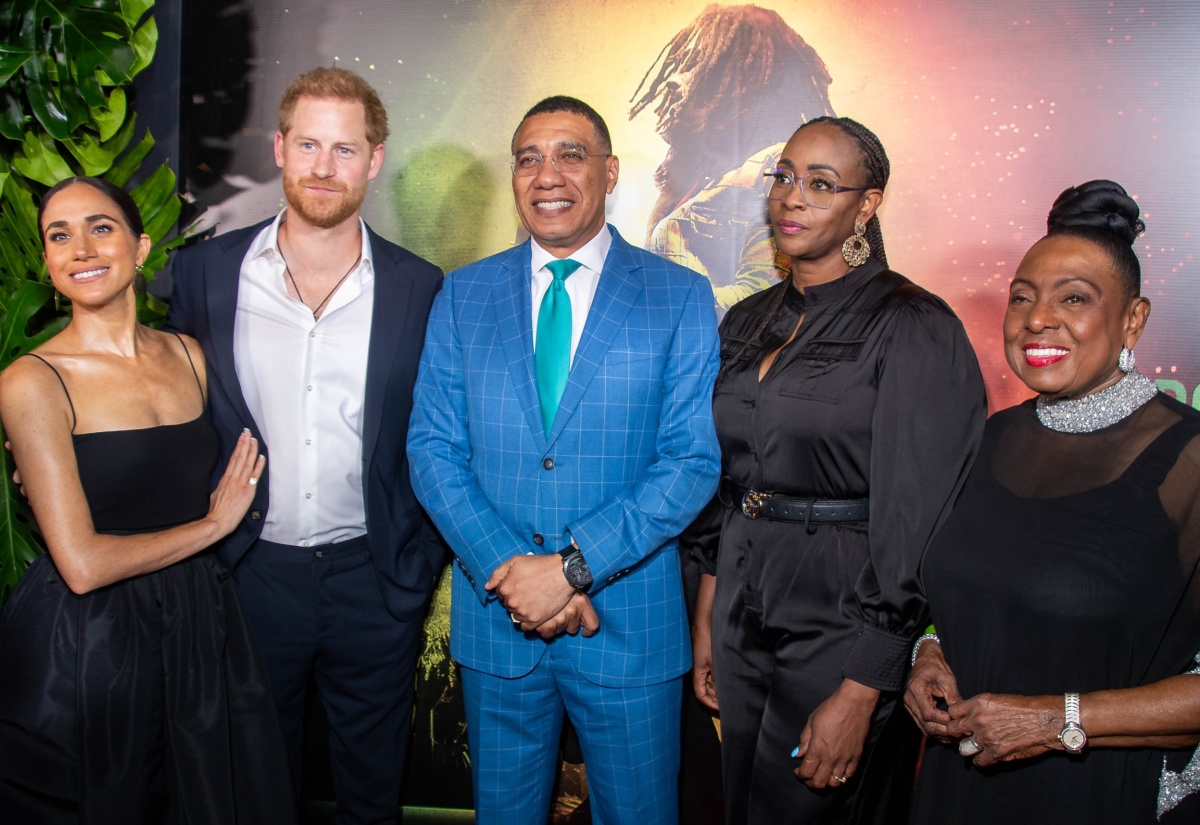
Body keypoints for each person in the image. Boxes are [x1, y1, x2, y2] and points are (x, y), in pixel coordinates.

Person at [407, 95, 721, 824]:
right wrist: (520, 578)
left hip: (629, 629)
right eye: (528, 157)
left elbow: (690, 462)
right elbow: (432, 450)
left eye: (570, 154)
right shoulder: (463, 294)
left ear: (609, 171)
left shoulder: (677, 295)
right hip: (500, 623)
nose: (547, 174)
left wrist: (570, 571)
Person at [689, 116, 987, 824]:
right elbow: (727, 479)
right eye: (785, 177)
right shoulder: (746, 321)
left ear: (867, 204)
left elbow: (919, 518)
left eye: (822, 184)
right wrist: (707, 615)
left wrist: (865, 684)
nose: (792, 198)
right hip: (739, 598)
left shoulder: (913, 325)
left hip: (842, 612)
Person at [165, 67, 444, 825]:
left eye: (345, 150)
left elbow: (446, 433)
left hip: (374, 577)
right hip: (249, 575)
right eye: (310, 145)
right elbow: (152, 403)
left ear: (375, 160)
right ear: (281, 148)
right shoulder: (202, 276)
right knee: (254, 784)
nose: (325, 167)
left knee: (371, 791)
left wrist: (410, 572)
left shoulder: (422, 288)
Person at [0, 176, 295, 823]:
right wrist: (213, 525)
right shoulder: (31, 381)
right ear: (47, 262)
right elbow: (80, 563)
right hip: (89, 648)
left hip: (197, 629)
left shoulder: (189, 355)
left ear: (140, 246)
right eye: (59, 234)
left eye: (100, 227)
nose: (80, 247)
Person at [905, 180, 1200, 824]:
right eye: (1023, 298)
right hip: (959, 792)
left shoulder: (1190, 460)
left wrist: (1054, 720)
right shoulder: (989, 437)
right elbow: (969, 595)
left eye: (1075, 299)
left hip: (1098, 796)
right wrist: (928, 651)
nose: (1038, 319)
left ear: (1133, 319)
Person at [629, 3, 836, 316]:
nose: (678, 79)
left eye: (701, 62)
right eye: (685, 61)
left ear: (748, 77)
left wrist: (675, 298)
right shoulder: (701, 175)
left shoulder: (775, 170)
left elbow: (769, 298)